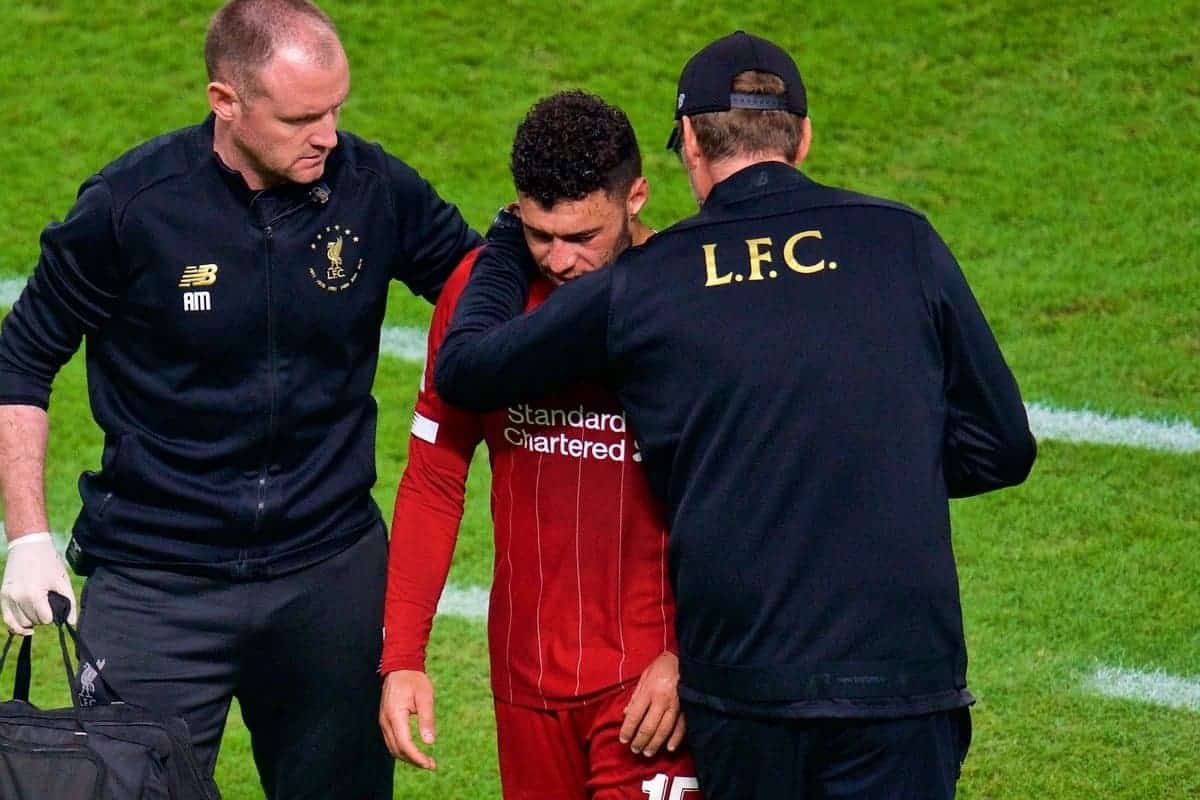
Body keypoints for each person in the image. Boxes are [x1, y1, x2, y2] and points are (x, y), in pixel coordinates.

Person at [432, 31, 1037, 800]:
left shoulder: (652, 280)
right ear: (803, 135)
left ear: (688, 142)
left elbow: (467, 368)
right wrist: (866, 472)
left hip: (744, 689)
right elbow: (1005, 447)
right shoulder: (902, 240)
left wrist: (507, 241)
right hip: (901, 680)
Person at [0, 0, 480, 797]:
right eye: (301, 117)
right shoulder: (129, 206)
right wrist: (27, 538)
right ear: (226, 102)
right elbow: (22, 358)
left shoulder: (372, 188)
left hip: (330, 576)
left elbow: (478, 291)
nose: (328, 135)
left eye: (335, 108)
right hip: (156, 582)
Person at [378, 91, 700, 800]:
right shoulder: (480, 301)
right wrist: (402, 655)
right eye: (538, 233)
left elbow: (745, 494)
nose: (558, 260)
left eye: (582, 236)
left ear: (636, 197)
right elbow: (434, 476)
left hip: (652, 683)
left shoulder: (687, 303)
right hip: (523, 683)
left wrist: (690, 656)